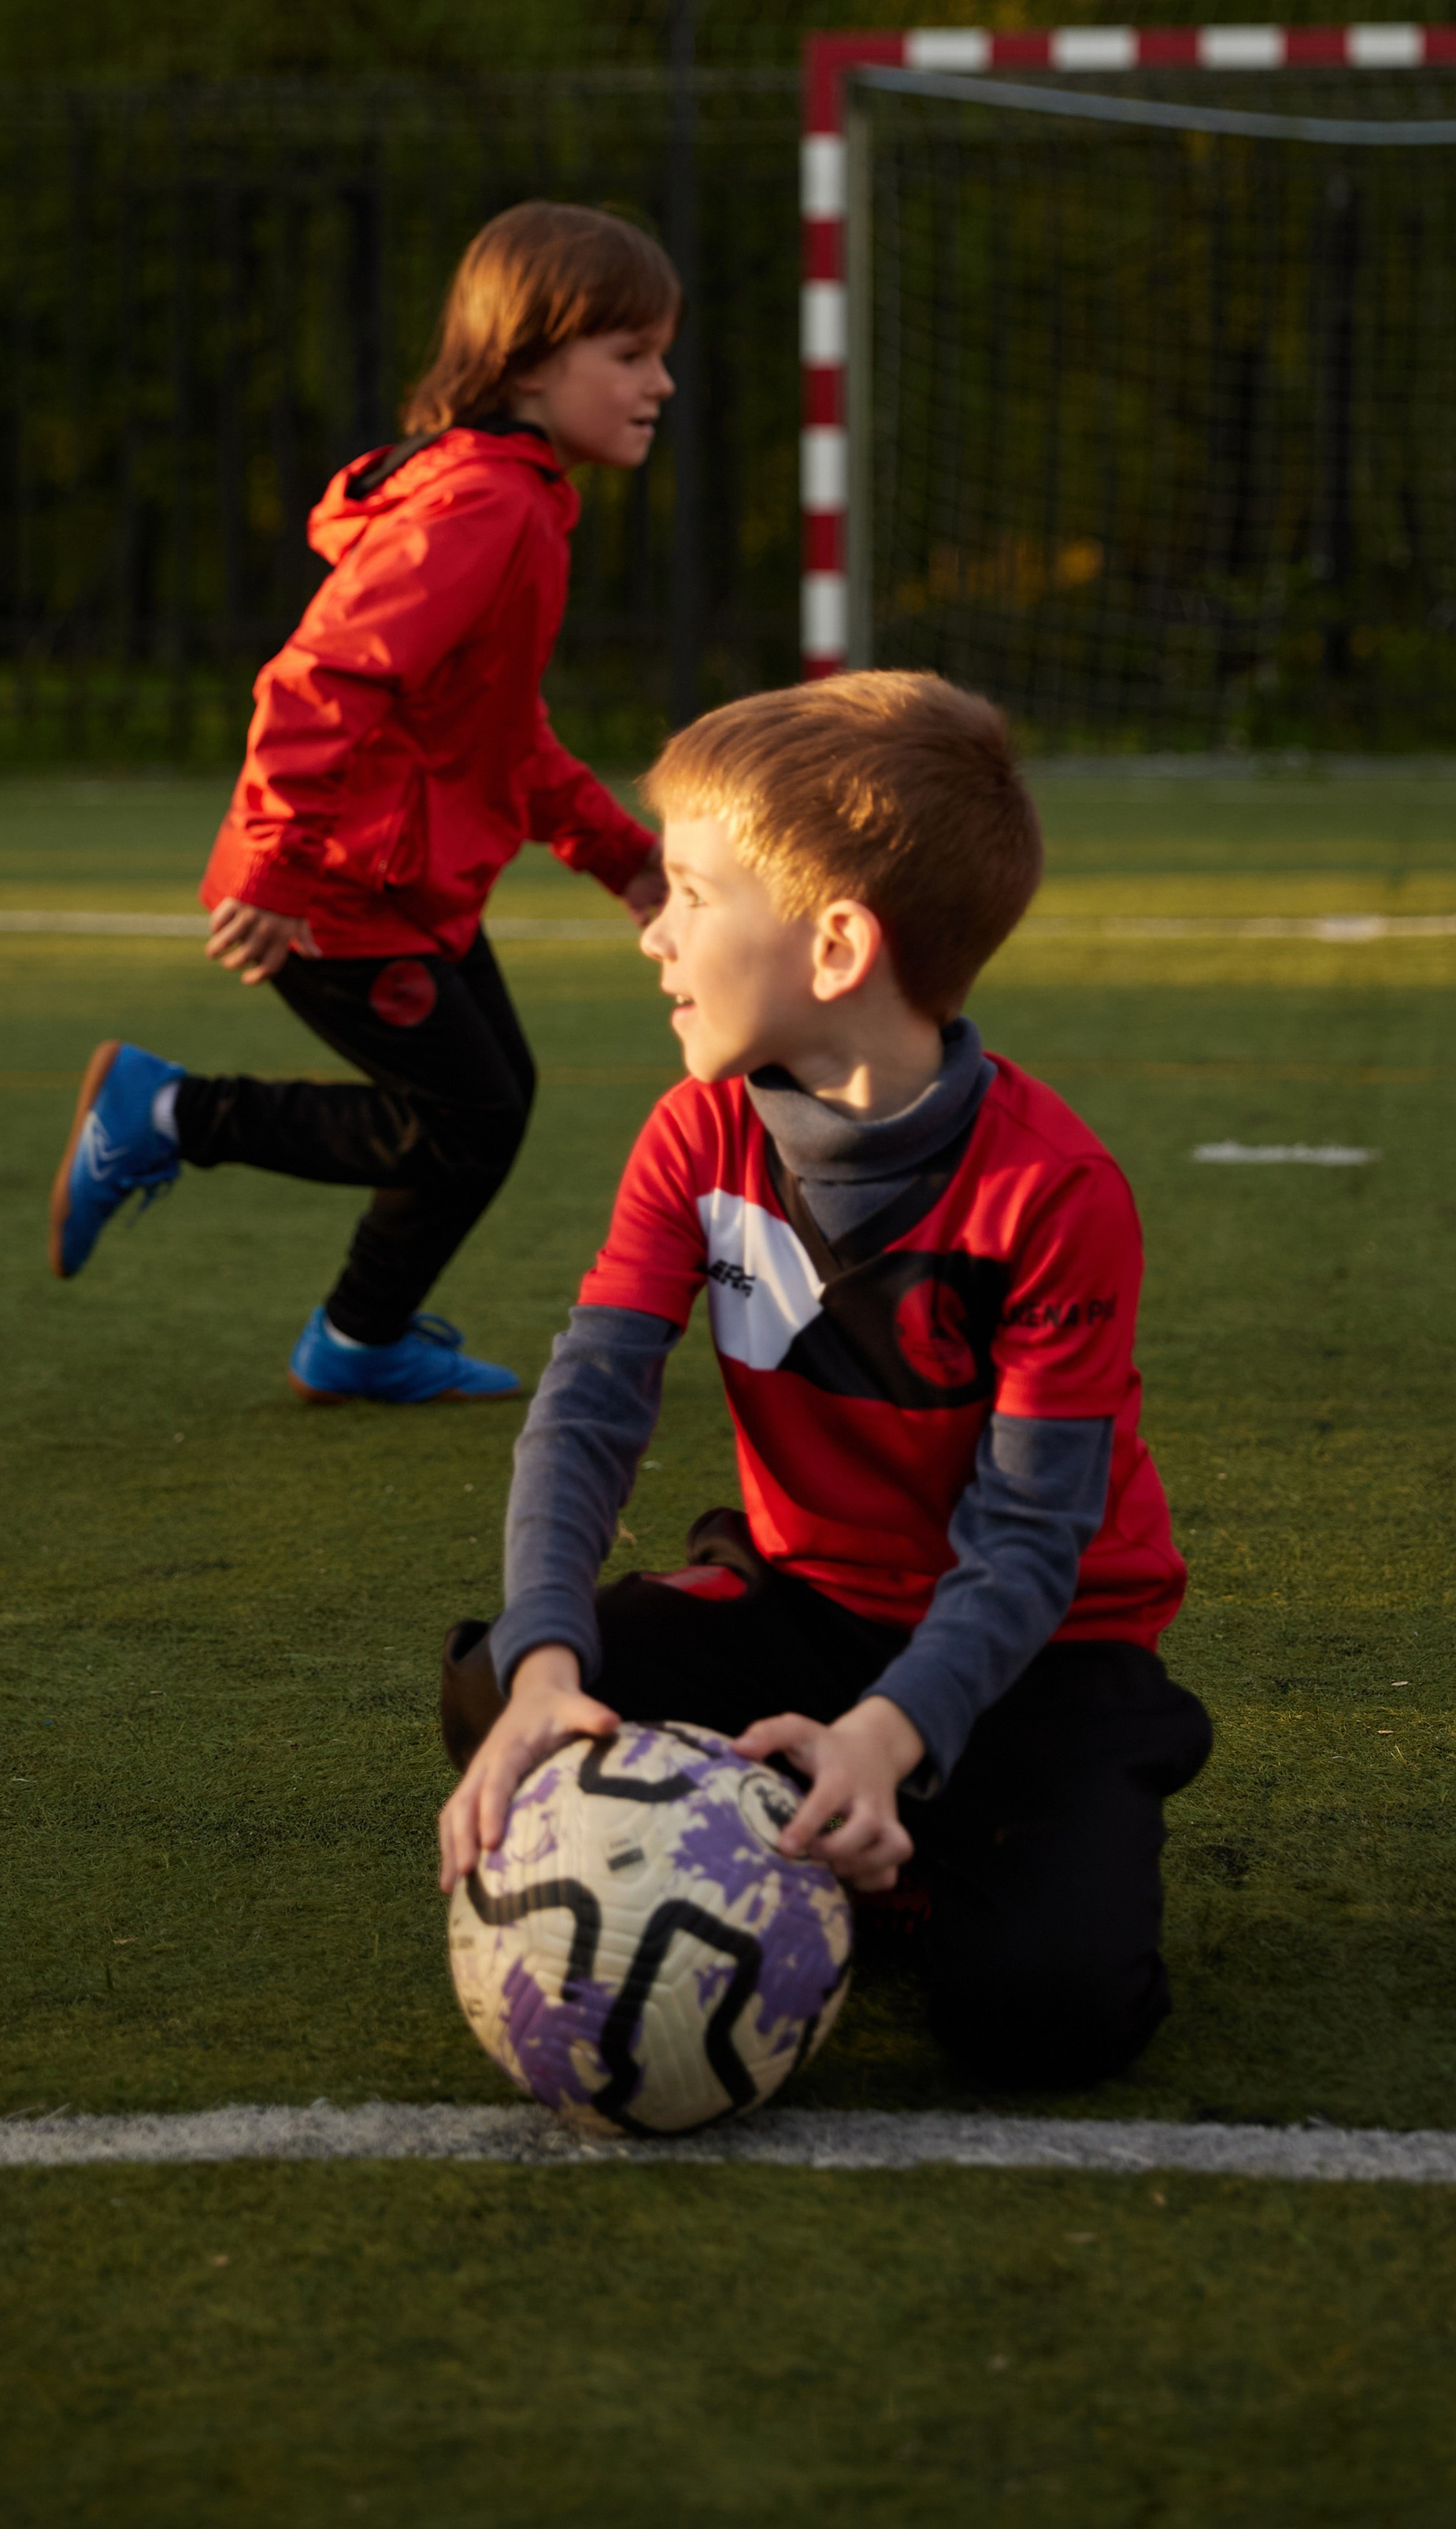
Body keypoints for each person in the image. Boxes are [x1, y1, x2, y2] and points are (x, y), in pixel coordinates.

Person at [436, 672, 1211, 2091]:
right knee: (504, 1684)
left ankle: (897, 1820)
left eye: (687, 894)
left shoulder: (1055, 1192)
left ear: (838, 945)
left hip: (1039, 1649)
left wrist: (896, 1730)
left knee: (1047, 2014)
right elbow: (592, 1409)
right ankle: (834, 1809)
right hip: (808, 1604)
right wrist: (548, 1657)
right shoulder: (694, 1138)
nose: (654, 935)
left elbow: (1033, 1539)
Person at [47, 202, 672, 1404]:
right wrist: (279, 875)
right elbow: (321, 680)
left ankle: (360, 1340)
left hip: (401, 878)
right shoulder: (485, 504)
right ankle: (168, 1114)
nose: (663, 383)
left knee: (487, 1107)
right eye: (632, 354)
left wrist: (623, 857)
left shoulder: (516, 494)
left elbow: (499, 733)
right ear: (536, 359)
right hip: (339, 884)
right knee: (465, 1120)